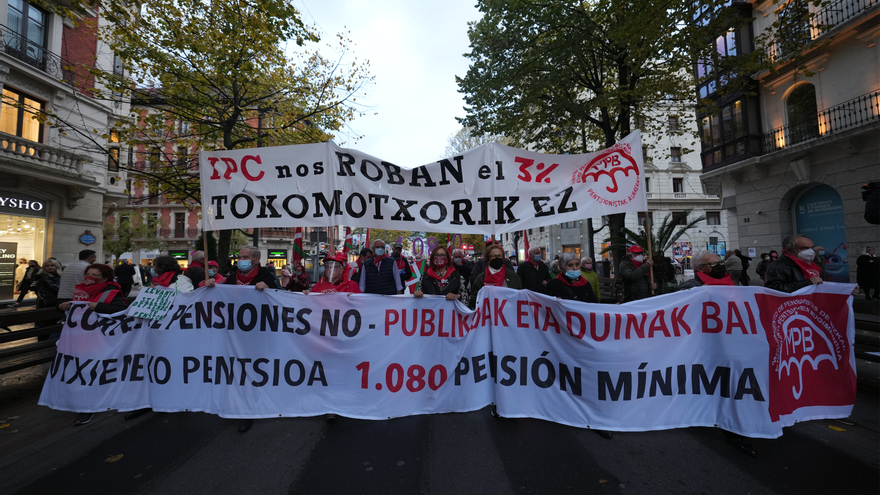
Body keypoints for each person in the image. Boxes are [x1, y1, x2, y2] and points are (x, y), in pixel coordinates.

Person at [204, 246, 280, 433]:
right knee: (237, 369)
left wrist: (269, 290)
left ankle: (249, 409)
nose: (240, 260)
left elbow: (281, 298)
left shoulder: (268, 276)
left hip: (258, 333)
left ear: (255, 259)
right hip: (235, 333)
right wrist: (211, 288)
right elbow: (223, 297)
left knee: (253, 369)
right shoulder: (232, 277)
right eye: (239, 257)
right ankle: (240, 405)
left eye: (245, 257)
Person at [56, 263, 127, 426]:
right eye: (88, 274)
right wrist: (60, 307)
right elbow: (71, 307)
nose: (90, 278)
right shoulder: (80, 290)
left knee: (90, 369)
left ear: (104, 278)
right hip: (78, 338)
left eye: (95, 275)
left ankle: (87, 405)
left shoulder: (112, 291)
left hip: (100, 338)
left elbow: (120, 311)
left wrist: (99, 307)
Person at [468, 243, 522, 309]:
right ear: (488, 258)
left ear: (503, 257)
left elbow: (520, 297)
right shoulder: (480, 278)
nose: (497, 258)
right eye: (493, 256)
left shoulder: (513, 277)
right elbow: (474, 300)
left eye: (499, 256)